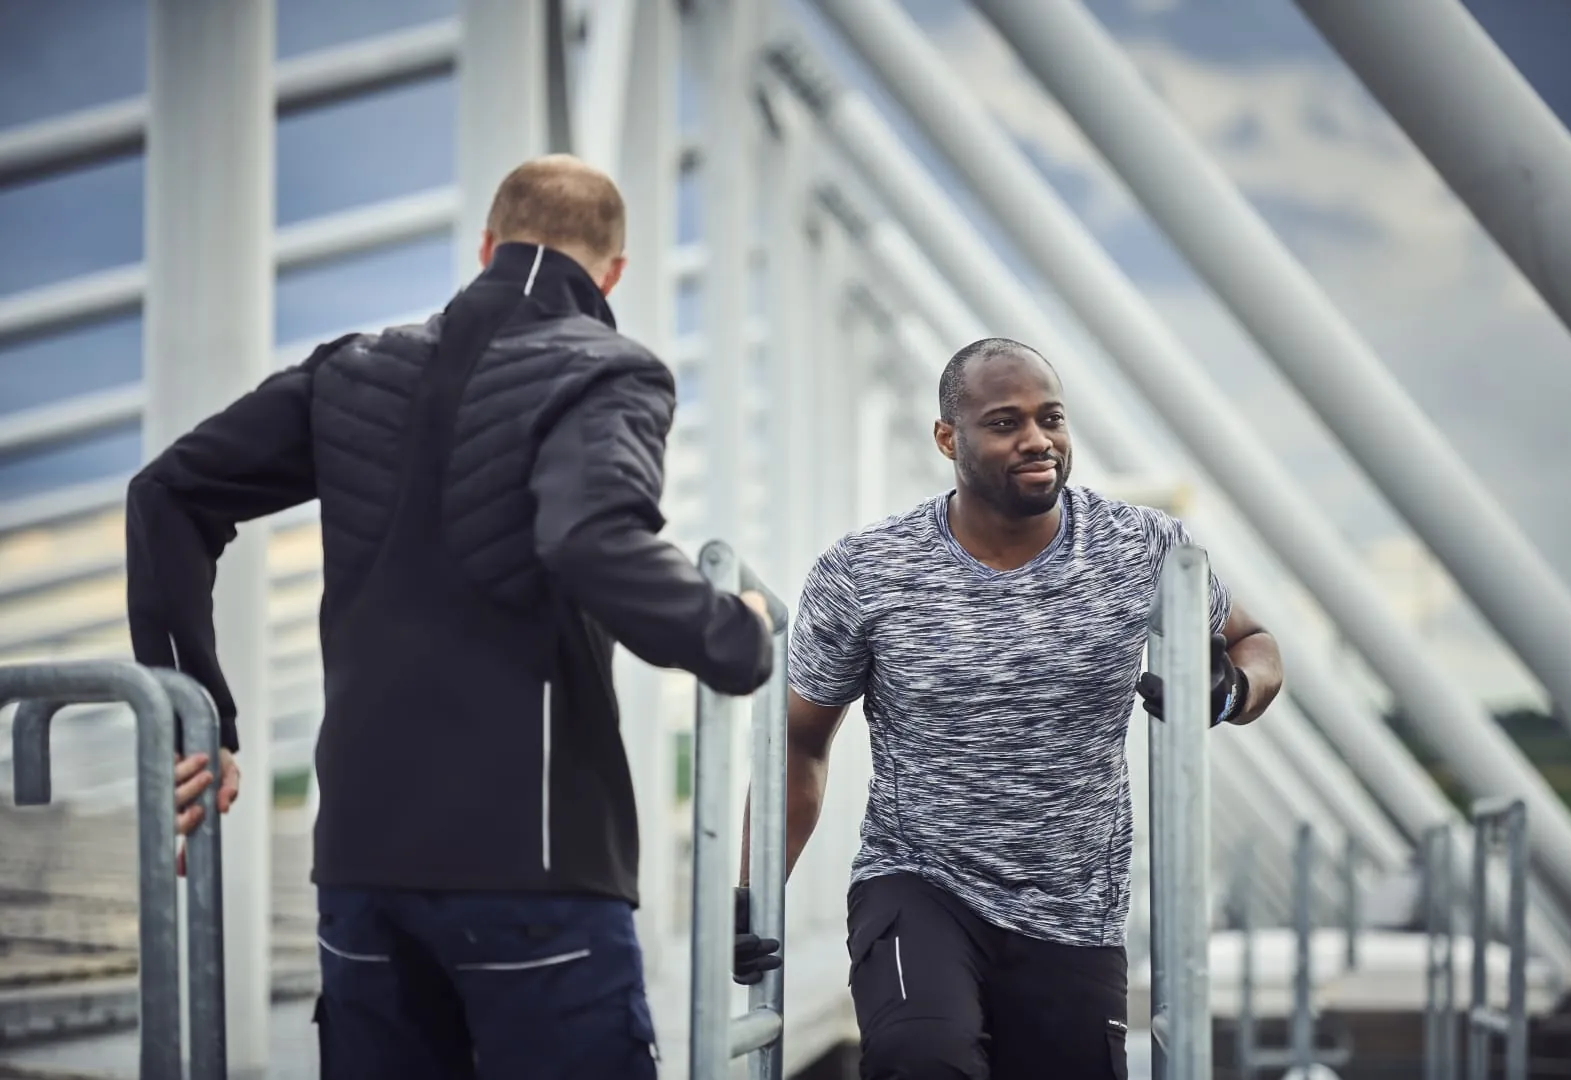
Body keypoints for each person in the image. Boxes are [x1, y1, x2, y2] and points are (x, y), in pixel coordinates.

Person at [126, 154, 782, 1078]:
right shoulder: (610, 371)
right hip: (536, 872)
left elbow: (167, 493)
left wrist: (197, 715)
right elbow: (590, 535)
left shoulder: (349, 367)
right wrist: (737, 633)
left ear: (484, 244)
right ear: (614, 272)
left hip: (360, 865)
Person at [755, 337, 1283, 1078]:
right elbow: (798, 742)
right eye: (1005, 423)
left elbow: (1256, 644)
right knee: (920, 1058)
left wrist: (1229, 692)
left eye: (1052, 419)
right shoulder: (867, 571)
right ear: (948, 438)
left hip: (1074, 909)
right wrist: (749, 893)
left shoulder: (1140, 548)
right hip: (919, 882)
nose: (1038, 440)